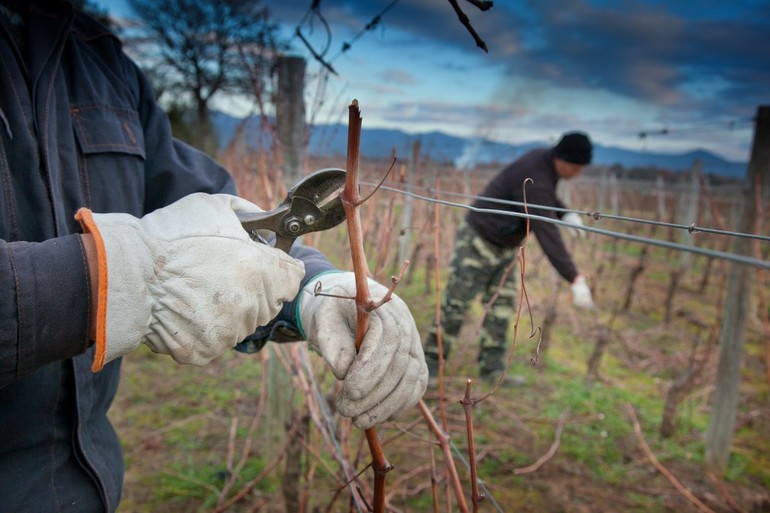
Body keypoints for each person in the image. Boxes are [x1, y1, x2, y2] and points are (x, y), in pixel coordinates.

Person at [0, 2, 428, 511]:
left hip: (89, 487)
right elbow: (156, 256)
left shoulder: (99, 59)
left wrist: (316, 289)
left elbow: (201, 209)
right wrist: (105, 281)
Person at [424, 131, 596, 384]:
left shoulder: (544, 164)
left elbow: (545, 197)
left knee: (501, 310)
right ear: (560, 158)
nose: (577, 174)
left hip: (505, 247)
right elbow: (546, 229)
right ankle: (428, 367)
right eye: (575, 168)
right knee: (456, 306)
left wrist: (565, 213)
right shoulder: (535, 172)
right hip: (478, 241)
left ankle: (492, 372)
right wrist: (575, 278)